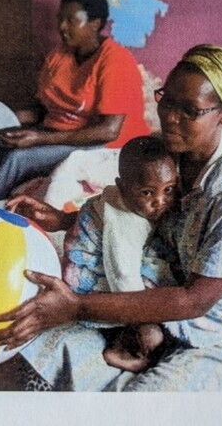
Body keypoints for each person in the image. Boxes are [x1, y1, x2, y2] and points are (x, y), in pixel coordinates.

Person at [0, 44, 222, 391]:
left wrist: (77, 307)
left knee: (146, 399)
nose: (170, 117)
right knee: (35, 345)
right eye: (166, 100)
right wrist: (66, 221)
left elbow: (196, 300)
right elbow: (131, 212)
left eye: (189, 110)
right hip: (172, 290)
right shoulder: (168, 152)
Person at [0, 0, 149, 208]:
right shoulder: (59, 55)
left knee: (18, 159)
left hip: (104, 144)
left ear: (95, 23)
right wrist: (14, 118)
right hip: (58, 133)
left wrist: (40, 139)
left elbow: (109, 131)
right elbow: (46, 108)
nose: (62, 26)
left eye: (71, 20)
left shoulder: (116, 61)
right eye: (60, 19)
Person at [62, 136, 178, 373]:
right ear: (122, 186)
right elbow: (123, 277)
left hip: (102, 262)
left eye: (168, 190)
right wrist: (143, 321)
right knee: (155, 328)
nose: (160, 201)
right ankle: (122, 349)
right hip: (88, 284)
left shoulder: (123, 198)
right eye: (147, 193)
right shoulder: (125, 222)